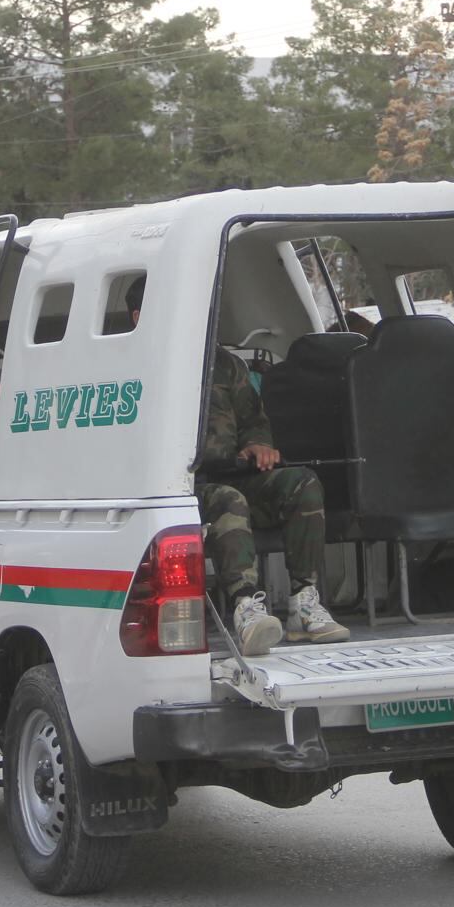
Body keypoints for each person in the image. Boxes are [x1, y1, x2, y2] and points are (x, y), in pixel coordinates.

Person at [127, 277, 348, 654]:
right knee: (230, 500)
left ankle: (304, 604)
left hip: (237, 474)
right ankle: (247, 608)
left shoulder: (225, 364)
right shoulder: (130, 370)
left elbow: (255, 421)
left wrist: (259, 445)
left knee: (302, 483)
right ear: (138, 317)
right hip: (178, 490)